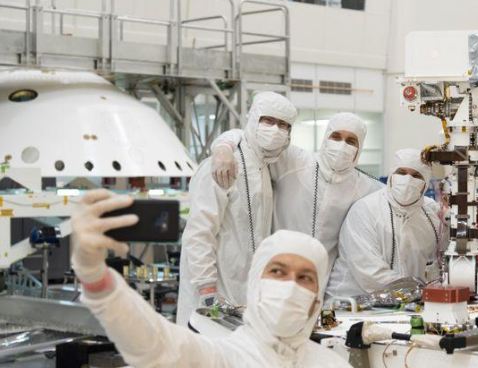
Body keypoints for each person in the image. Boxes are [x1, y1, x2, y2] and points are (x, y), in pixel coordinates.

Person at [70, 191, 373, 368]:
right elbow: (155, 344)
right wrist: (95, 277)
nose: (290, 285)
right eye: (278, 272)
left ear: (316, 299)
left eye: (305, 277)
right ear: (255, 285)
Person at [177, 92, 297, 326]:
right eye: (268, 120)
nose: (275, 130)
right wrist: (207, 289)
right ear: (253, 120)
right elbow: (199, 233)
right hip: (213, 294)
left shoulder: (265, 165)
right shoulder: (223, 165)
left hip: (245, 293)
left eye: (283, 125)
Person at [211, 112, 382, 271]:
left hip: (322, 278)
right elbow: (249, 139)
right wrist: (224, 147)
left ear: (359, 148)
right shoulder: (295, 161)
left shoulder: (367, 187)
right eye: (336, 137)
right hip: (275, 269)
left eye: (351, 141)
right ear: (326, 138)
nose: (342, 145)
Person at [327, 149, 444, 299]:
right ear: (391, 176)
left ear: (425, 183)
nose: (407, 180)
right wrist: (417, 291)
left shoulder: (431, 214)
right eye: (401, 172)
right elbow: (369, 272)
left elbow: (441, 259)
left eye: (416, 175)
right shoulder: (366, 210)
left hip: (407, 302)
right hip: (352, 301)